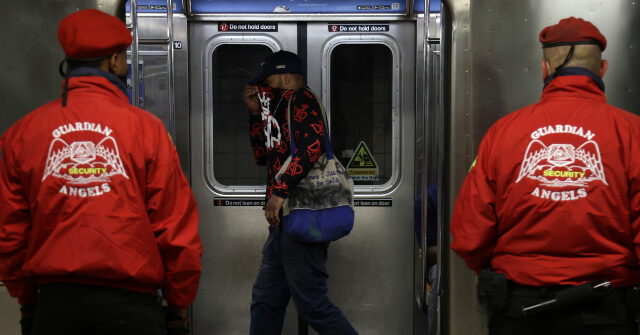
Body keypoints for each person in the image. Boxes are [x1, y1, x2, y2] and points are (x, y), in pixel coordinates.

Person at [0, 9, 202, 335]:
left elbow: (10, 234)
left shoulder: (21, 135)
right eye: (123, 57)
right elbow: (175, 228)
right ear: (114, 63)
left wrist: (26, 300)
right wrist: (179, 304)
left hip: (54, 306)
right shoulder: (148, 131)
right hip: (133, 308)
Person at [450, 17, 640, 334]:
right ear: (602, 69)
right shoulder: (633, 133)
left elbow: (469, 234)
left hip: (518, 311)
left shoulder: (502, 133)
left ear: (544, 69)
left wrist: (494, 268)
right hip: (606, 311)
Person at [243, 50, 358, 335]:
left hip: (303, 215)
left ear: (286, 77)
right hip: (282, 224)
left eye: (267, 82)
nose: (263, 89)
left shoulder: (302, 100)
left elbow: (313, 145)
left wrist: (280, 191)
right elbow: (263, 156)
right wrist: (255, 115)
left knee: (312, 305)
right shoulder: (277, 109)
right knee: (266, 301)